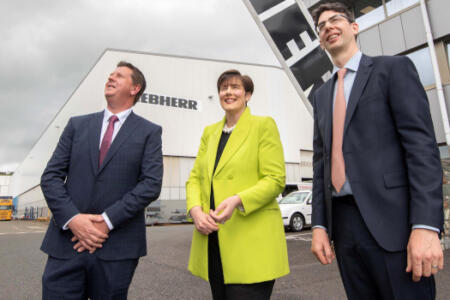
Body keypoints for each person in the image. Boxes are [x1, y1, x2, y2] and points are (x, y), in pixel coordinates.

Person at [309, 2, 444, 299]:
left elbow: (421, 149)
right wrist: (319, 224)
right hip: (344, 229)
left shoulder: (392, 70)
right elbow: (320, 167)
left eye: (335, 20)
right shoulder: (320, 96)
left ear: (354, 27)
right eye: (321, 26)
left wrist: (425, 225)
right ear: (320, 40)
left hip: (396, 224)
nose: (328, 26)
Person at [40, 61, 163, 299]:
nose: (110, 78)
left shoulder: (149, 132)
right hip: (67, 243)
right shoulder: (77, 125)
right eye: (110, 75)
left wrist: (106, 221)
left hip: (116, 248)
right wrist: (73, 219)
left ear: (134, 88)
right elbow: (51, 176)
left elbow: (150, 184)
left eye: (119, 76)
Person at [186, 69, 289, 300]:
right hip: (214, 240)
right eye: (224, 88)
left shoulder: (263, 126)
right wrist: (195, 212)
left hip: (251, 242)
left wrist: (238, 200)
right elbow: (195, 178)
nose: (228, 92)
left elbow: (275, 179)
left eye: (235, 87)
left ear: (248, 95)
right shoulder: (209, 133)